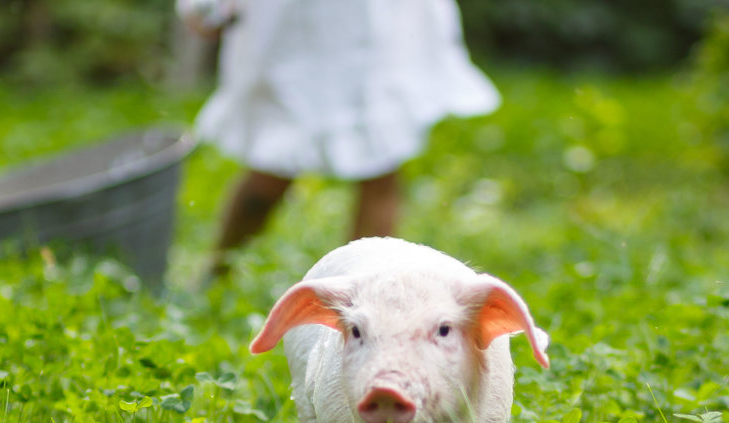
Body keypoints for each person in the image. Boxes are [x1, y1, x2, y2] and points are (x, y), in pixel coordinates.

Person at [177, 0, 500, 278]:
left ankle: (363, 297)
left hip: (375, 21)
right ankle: (216, 275)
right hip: (293, 25)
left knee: (379, 162)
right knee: (273, 163)